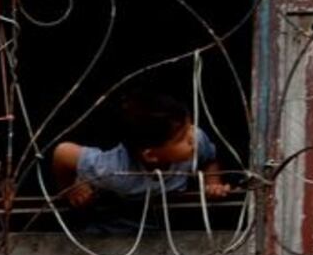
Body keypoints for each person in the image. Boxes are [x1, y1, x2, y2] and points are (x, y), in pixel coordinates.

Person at [51, 90, 231, 231]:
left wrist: (212, 182)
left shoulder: (195, 141)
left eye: (189, 125)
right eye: (182, 137)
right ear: (151, 155)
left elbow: (209, 159)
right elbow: (62, 153)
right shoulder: (114, 170)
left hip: (166, 223)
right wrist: (72, 187)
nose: (193, 135)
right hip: (116, 229)